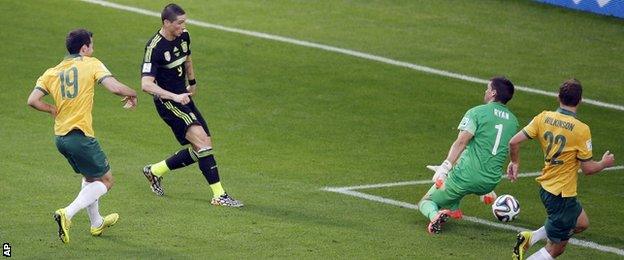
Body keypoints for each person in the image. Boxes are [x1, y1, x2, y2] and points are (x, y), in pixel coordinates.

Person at [26, 29, 138, 244]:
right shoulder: (91, 63)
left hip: (61, 138)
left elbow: (32, 100)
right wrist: (132, 93)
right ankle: (66, 213)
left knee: (90, 178)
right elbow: (114, 88)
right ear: (84, 48)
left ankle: (96, 223)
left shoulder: (51, 72)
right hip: (80, 136)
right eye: (91, 46)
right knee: (106, 180)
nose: (93, 49)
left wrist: (51, 109)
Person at [140, 3, 242, 207]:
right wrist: (174, 97)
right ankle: (219, 195)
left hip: (184, 97)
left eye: (184, 22)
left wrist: (192, 82)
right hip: (169, 103)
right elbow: (146, 84)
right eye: (179, 23)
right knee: (203, 143)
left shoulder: (184, 36)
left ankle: (155, 171)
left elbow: (187, 58)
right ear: (166, 23)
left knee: (203, 146)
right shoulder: (155, 48)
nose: (183, 26)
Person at [508, 79, 615, 260]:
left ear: (558, 97)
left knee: (581, 223)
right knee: (556, 249)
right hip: (561, 195)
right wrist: (604, 163)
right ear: (581, 100)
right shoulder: (581, 130)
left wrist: (515, 162)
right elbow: (588, 168)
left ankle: (531, 237)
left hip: (547, 187)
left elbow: (513, 142)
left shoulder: (543, 117)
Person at [417, 76, 518, 234]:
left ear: (493, 93)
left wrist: (444, 167)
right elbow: (510, 145)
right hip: (491, 182)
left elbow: (461, 142)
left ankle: (435, 216)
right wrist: (514, 162)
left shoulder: (477, 113)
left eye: (488, 88)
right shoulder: (513, 121)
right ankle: (455, 207)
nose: (485, 91)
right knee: (470, 157)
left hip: (466, 177)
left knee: (426, 201)